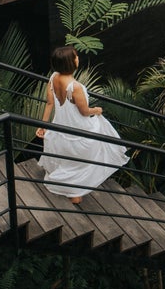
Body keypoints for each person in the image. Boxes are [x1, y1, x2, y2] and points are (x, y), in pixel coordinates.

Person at [36, 45, 128, 204]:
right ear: (69, 63)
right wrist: (97, 110)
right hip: (78, 128)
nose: (78, 58)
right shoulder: (75, 87)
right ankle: (75, 193)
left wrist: (43, 125)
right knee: (95, 148)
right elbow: (85, 111)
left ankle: (72, 190)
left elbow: (49, 103)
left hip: (61, 126)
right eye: (75, 57)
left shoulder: (53, 78)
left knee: (69, 158)